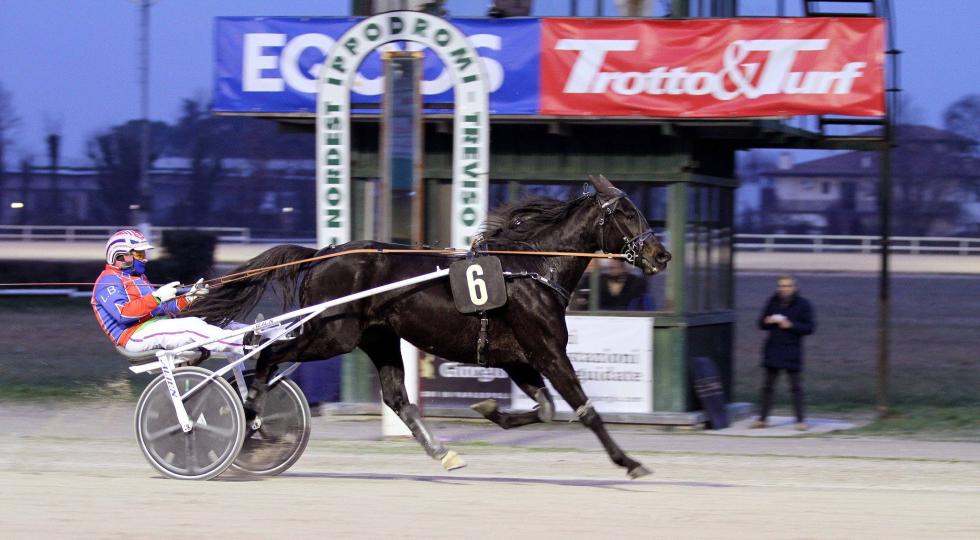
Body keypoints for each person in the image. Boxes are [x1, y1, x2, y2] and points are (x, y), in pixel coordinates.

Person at [91, 229, 244, 356]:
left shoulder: (139, 278)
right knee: (191, 325)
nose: (145, 259)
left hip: (157, 325)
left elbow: (163, 309)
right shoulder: (107, 281)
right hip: (134, 335)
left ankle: (258, 334)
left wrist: (189, 298)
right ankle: (242, 343)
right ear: (120, 256)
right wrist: (156, 297)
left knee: (212, 320)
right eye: (139, 254)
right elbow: (123, 314)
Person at [750, 275, 815, 431]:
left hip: (792, 349)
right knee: (768, 386)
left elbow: (810, 327)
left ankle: (800, 420)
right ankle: (762, 419)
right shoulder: (772, 302)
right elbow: (760, 324)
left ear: (794, 288)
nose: (783, 289)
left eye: (786, 286)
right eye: (780, 286)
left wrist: (791, 325)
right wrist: (767, 322)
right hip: (773, 348)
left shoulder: (803, 304)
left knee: (795, 387)